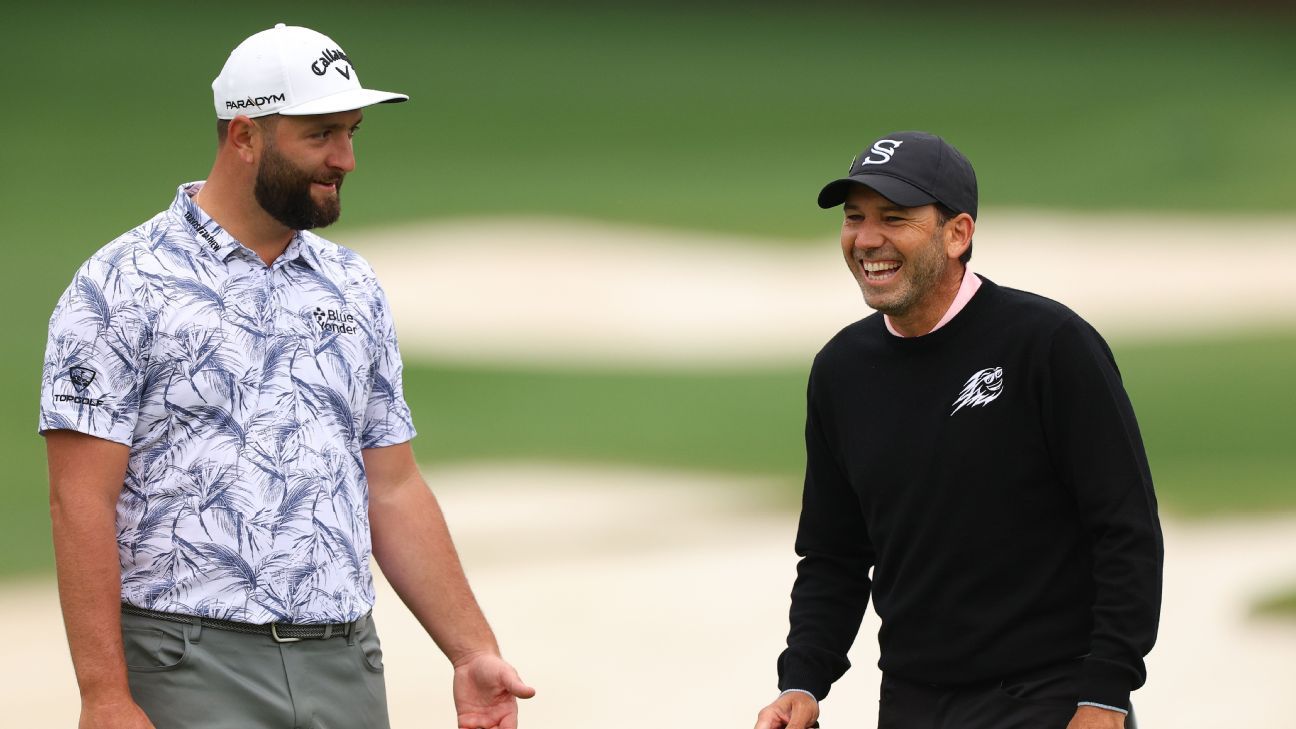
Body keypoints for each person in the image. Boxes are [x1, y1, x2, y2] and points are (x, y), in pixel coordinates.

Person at [40, 23, 533, 729]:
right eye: (322, 134)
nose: (348, 158)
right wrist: (105, 695)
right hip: (187, 663)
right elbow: (79, 499)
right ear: (244, 136)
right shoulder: (120, 285)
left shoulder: (351, 286)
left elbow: (391, 484)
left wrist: (470, 649)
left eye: (353, 131)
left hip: (345, 662)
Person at [752, 131, 1162, 729]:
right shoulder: (841, 370)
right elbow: (833, 553)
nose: (867, 239)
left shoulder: (1047, 345)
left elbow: (1125, 529)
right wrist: (804, 681)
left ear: (957, 234)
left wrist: (1103, 695)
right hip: (913, 701)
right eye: (854, 217)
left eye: (894, 218)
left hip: (1050, 696)